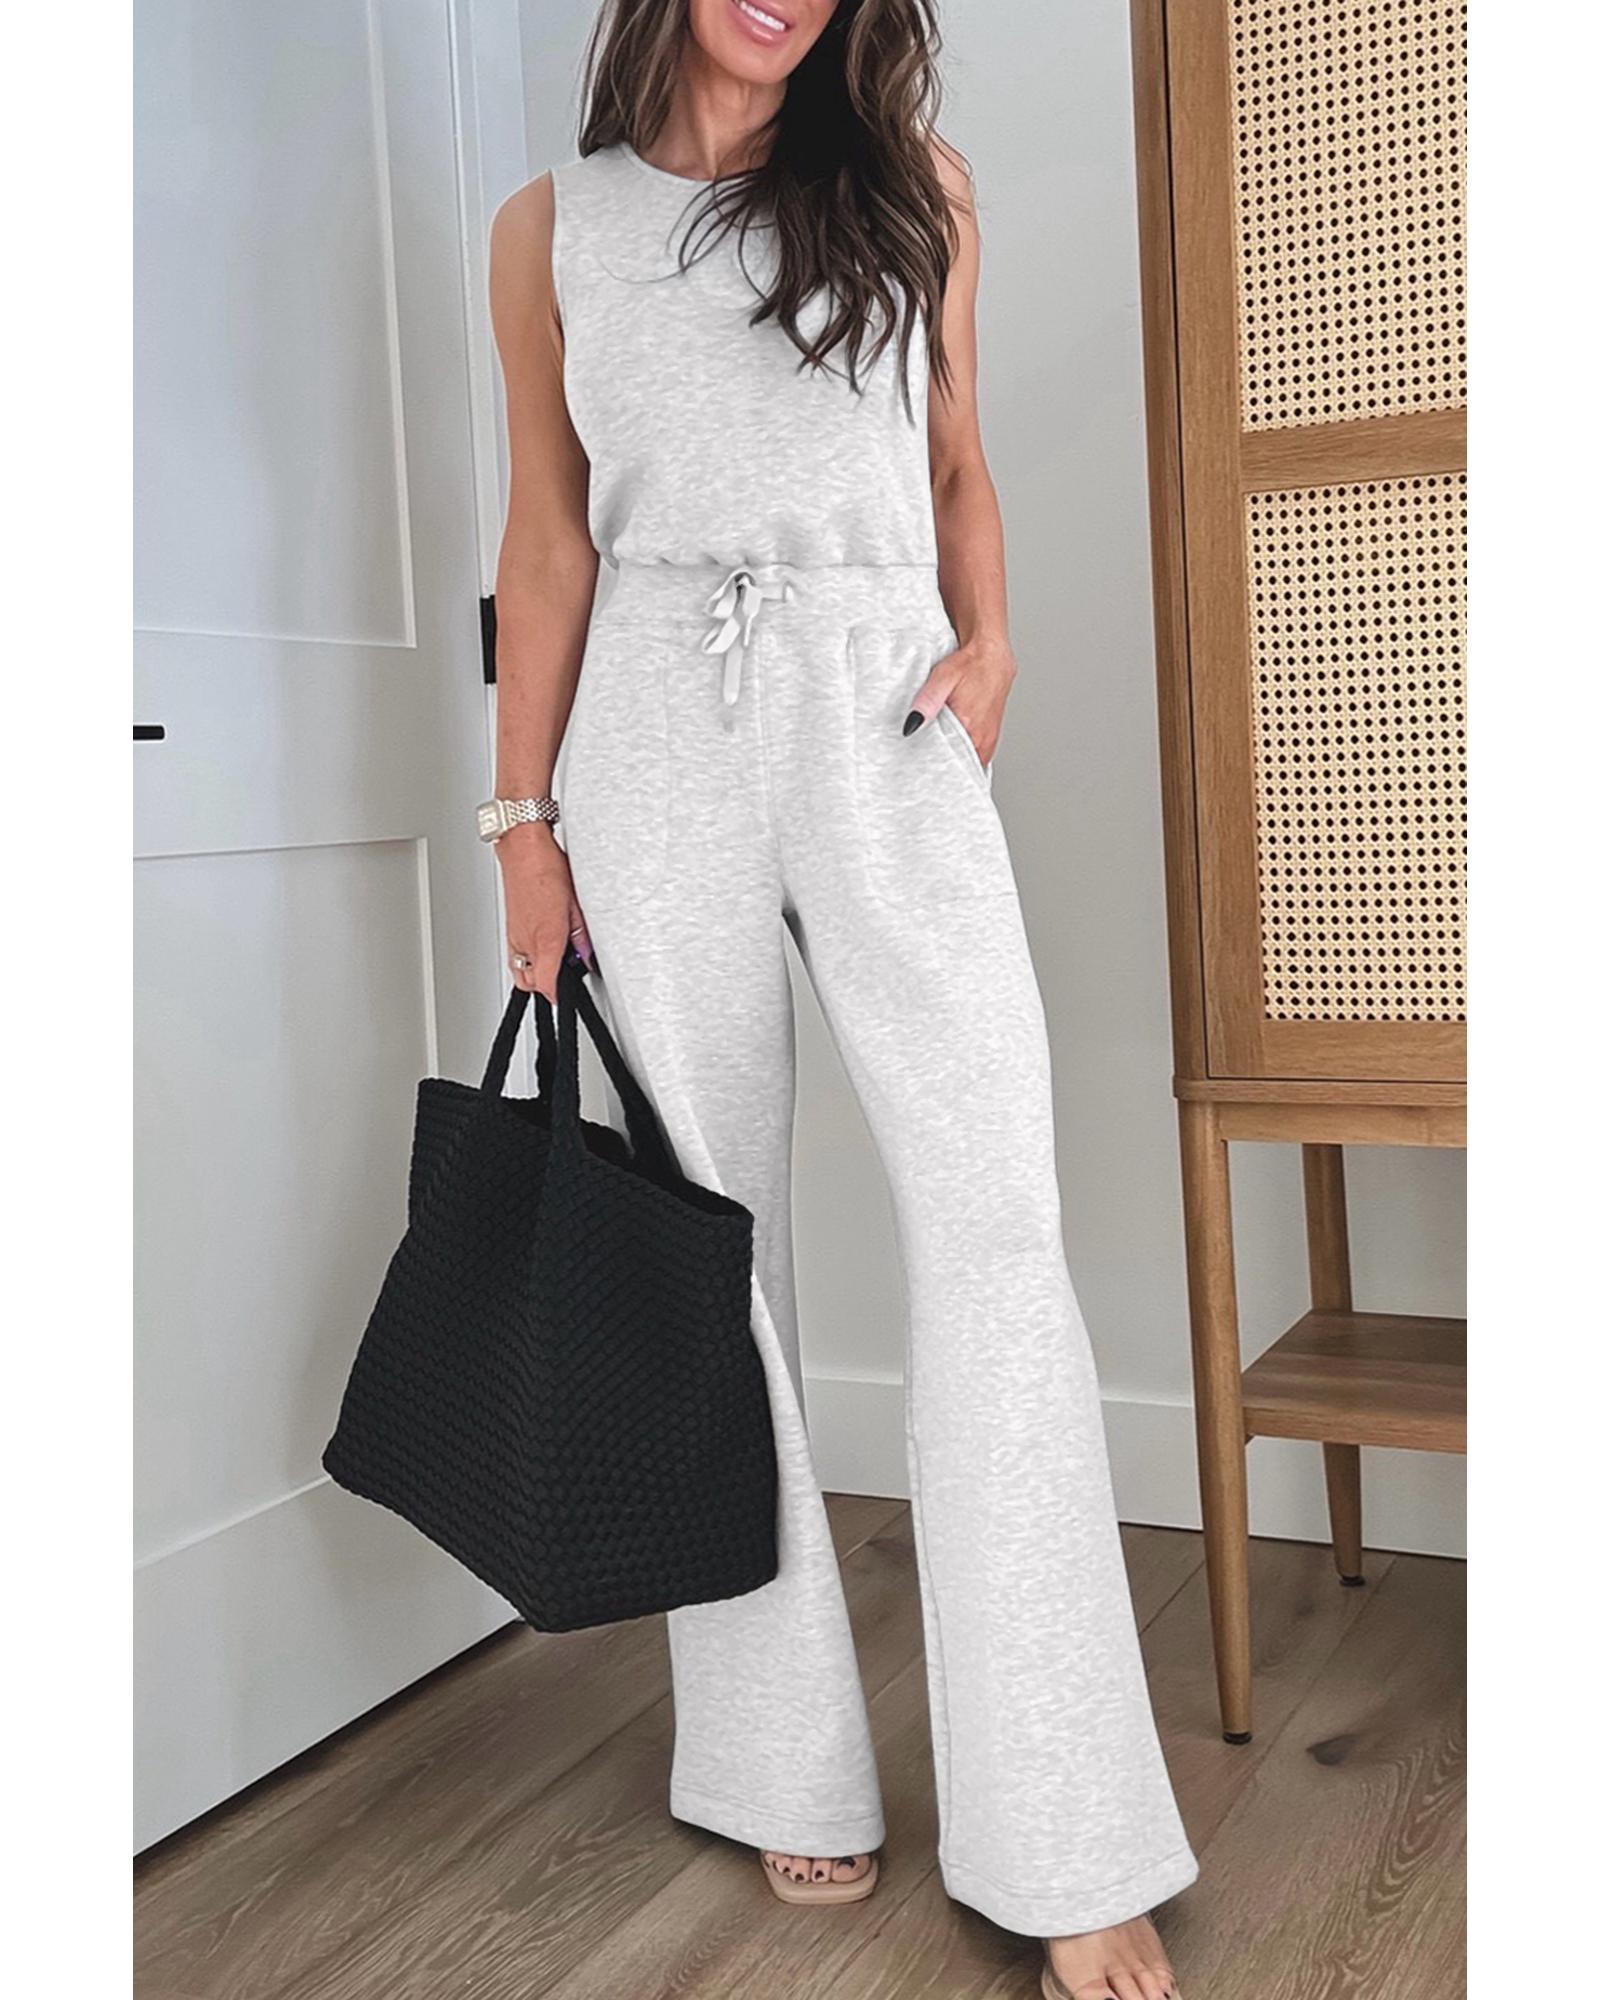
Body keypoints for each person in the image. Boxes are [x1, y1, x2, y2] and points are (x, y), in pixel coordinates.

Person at [486, 4, 1194, 1994]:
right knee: (710, 1247)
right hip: (651, 728)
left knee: (994, 1226)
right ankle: (774, 1754)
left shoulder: (914, 187)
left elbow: (956, 458)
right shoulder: (549, 227)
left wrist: (993, 646)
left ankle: (1063, 1829)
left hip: (878, 703)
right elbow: (546, 536)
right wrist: (520, 824)